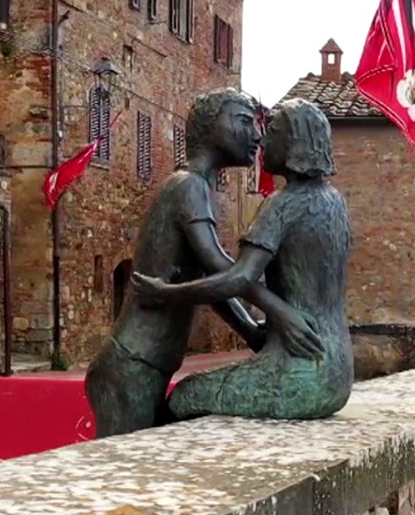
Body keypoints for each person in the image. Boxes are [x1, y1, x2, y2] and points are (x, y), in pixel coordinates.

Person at [84, 89, 324, 437]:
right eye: (244, 122)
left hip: (146, 361)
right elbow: (220, 263)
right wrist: (281, 314)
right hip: (133, 361)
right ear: (211, 128)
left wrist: (251, 332)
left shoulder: (199, 187)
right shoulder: (187, 186)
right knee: (118, 476)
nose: (256, 135)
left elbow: (217, 282)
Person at [132, 98, 353, 421]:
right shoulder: (335, 202)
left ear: (292, 142)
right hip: (338, 371)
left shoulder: (283, 204)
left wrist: (166, 293)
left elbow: (240, 278)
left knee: (184, 398)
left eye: (272, 131)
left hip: (300, 372)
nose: (263, 139)